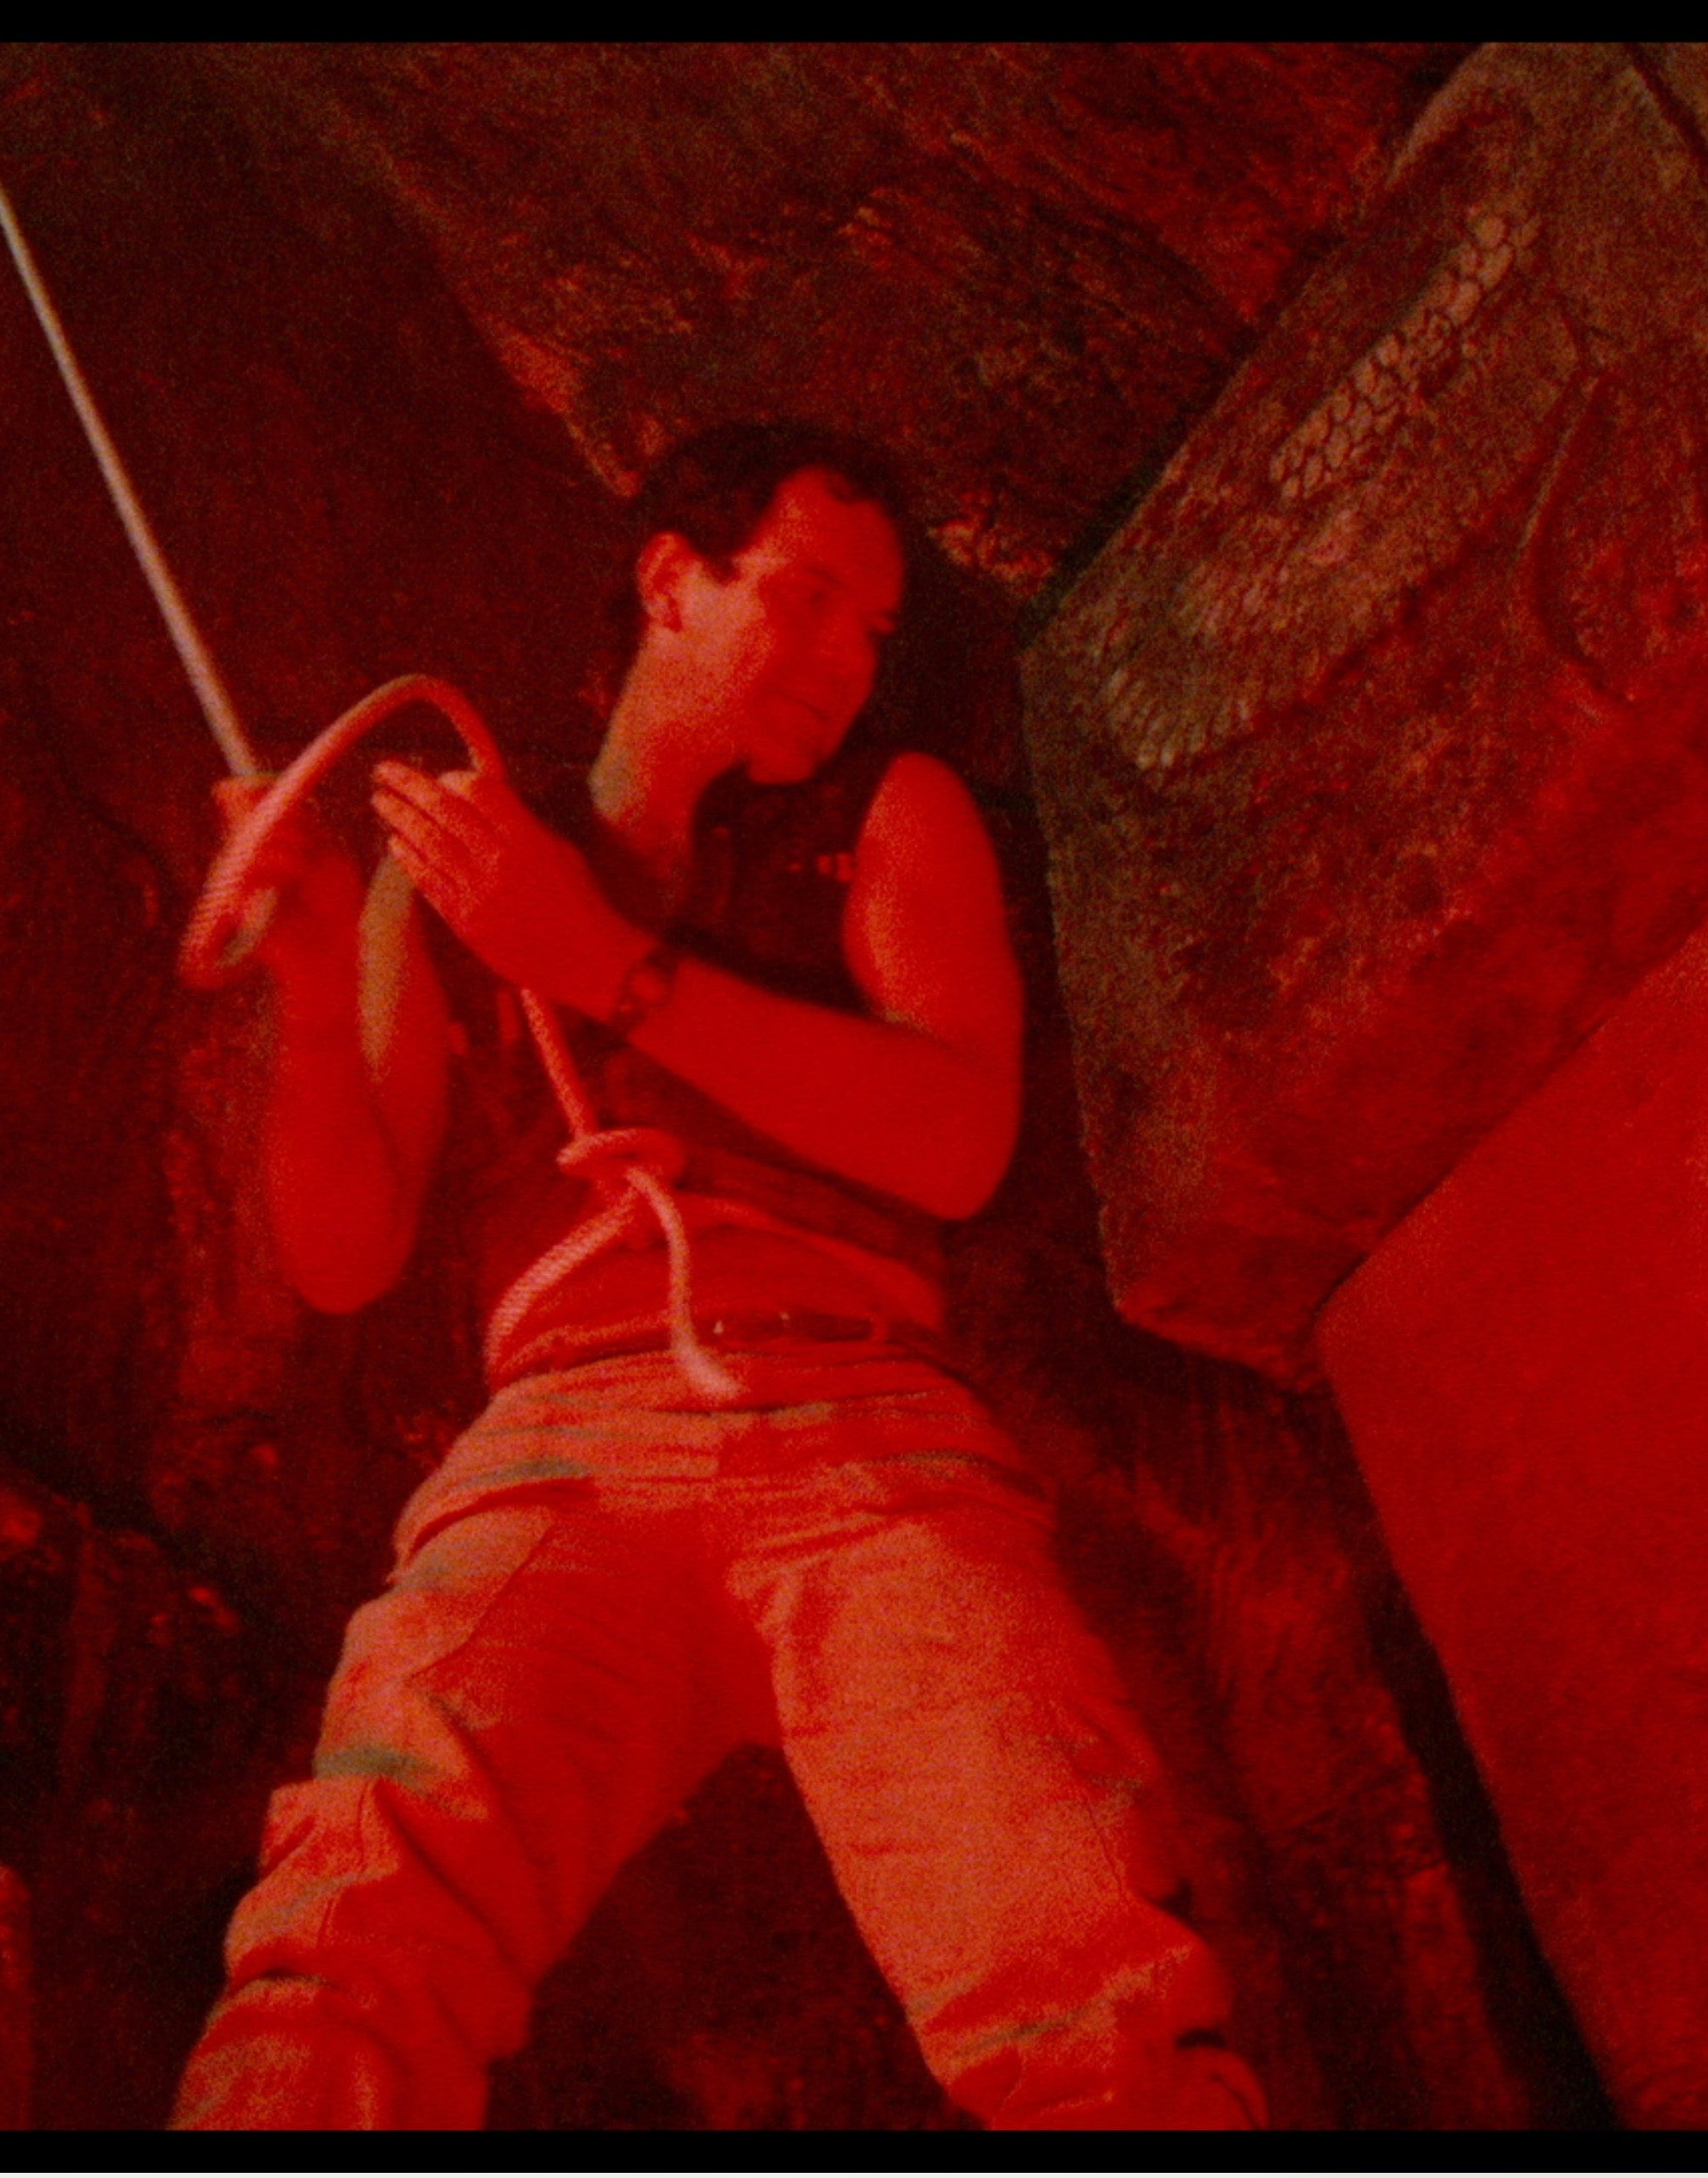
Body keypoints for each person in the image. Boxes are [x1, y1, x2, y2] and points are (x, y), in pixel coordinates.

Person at [171, 424, 1263, 2131]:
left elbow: (956, 1139)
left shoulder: (890, 814)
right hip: (560, 1454)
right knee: (353, 1932)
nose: (846, 661)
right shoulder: (456, 857)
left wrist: (603, 963)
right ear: (673, 579)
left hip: (864, 1431)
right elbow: (343, 1255)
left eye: (874, 631)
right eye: (808, 598)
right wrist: (315, 984)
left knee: (1077, 1962)